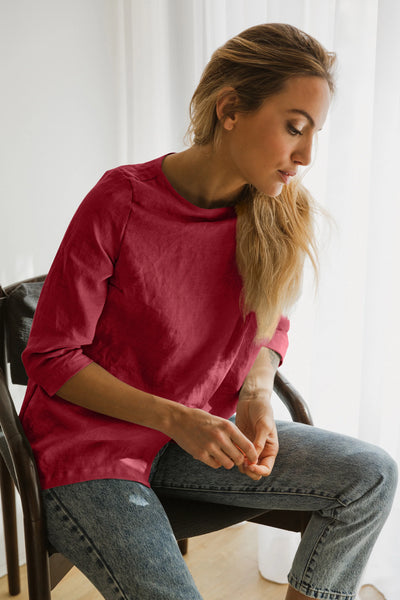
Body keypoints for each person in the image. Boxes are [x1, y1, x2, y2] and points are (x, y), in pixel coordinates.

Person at [20, 23, 397, 600]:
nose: (306, 156)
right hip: (89, 449)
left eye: (315, 133)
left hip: (196, 436)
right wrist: (175, 418)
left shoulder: (276, 211)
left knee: (370, 476)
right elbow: (51, 357)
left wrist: (254, 391)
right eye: (294, 128)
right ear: (230, 109)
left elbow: (272, 328)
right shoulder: (120, 200)